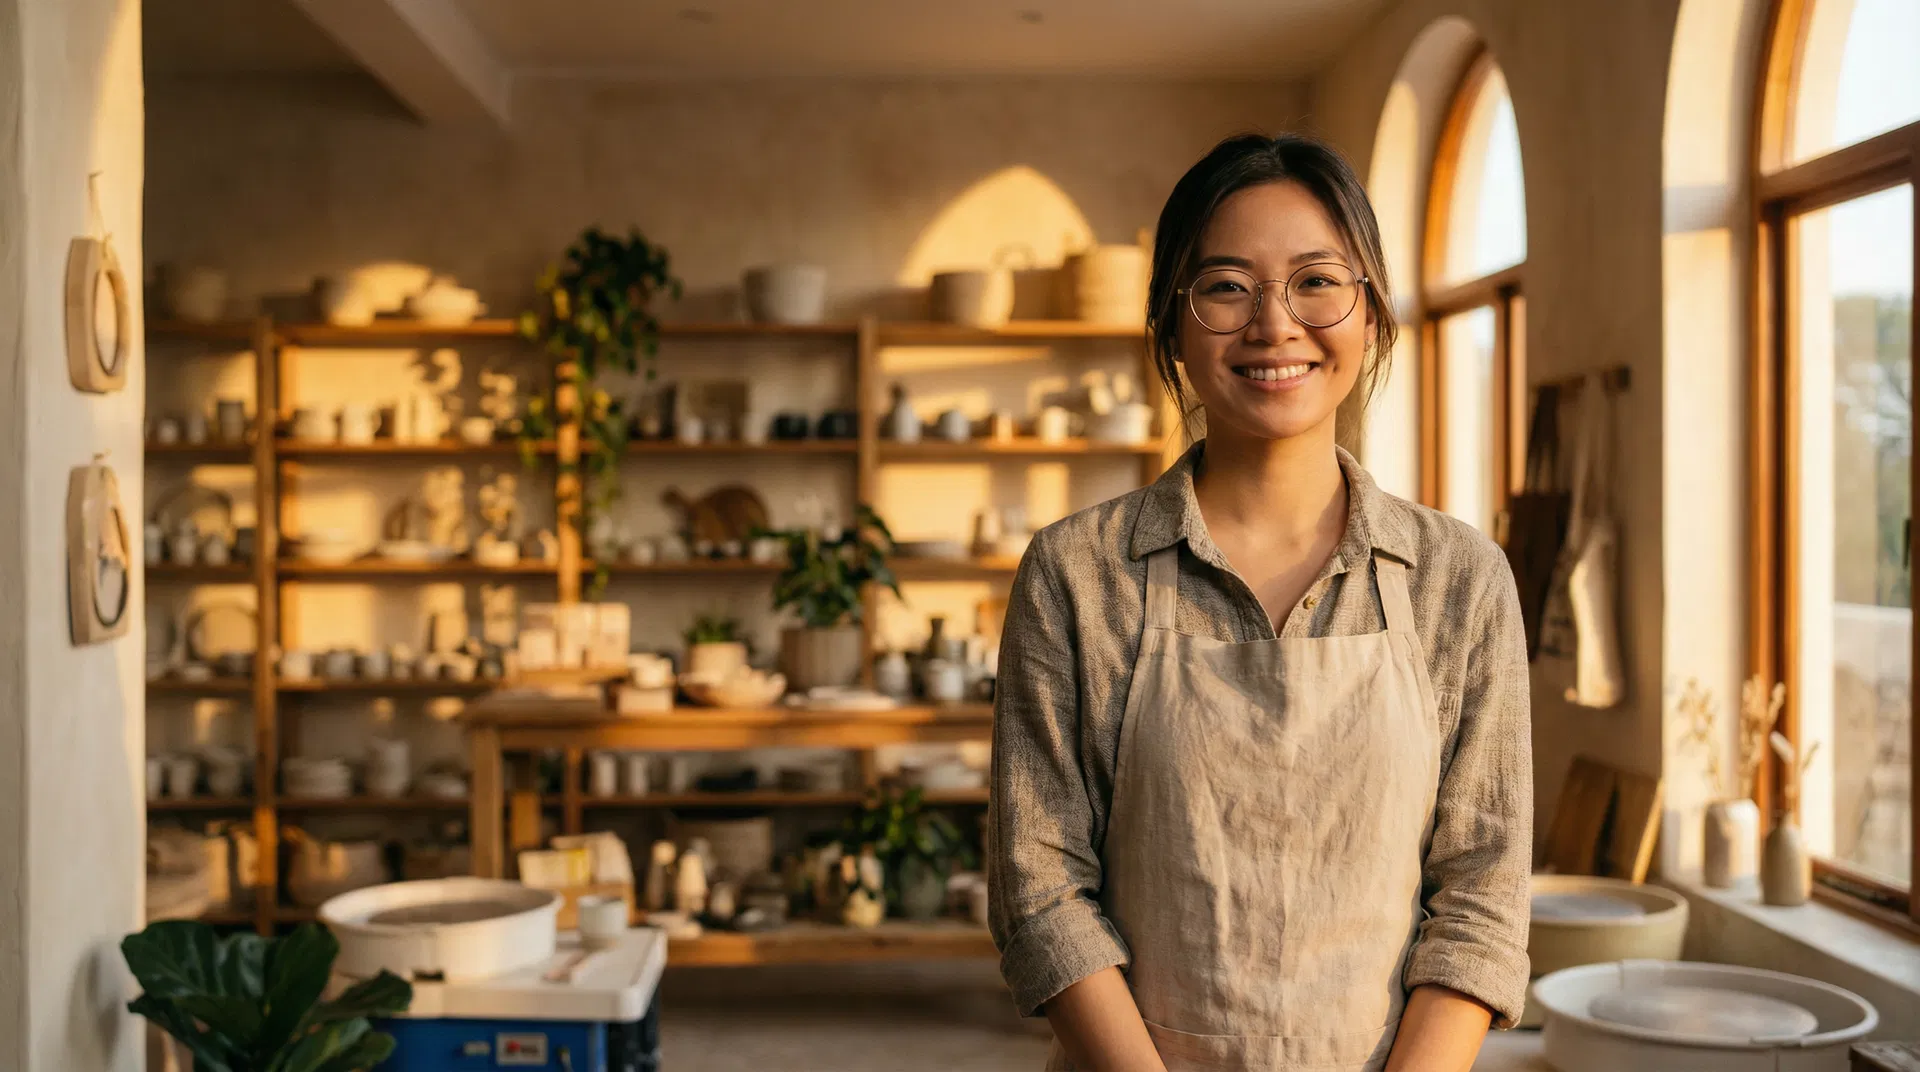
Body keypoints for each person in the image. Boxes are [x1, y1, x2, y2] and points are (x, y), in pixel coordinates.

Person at [987, 132, 1532, 1072]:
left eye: (1318, 281)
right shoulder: (1078, 574)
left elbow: (1481, 895)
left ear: (1371, 317)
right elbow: (1039, 888)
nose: (1274, 325)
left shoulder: (1460, 580)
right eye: (1227, 286)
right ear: (1172, 323)